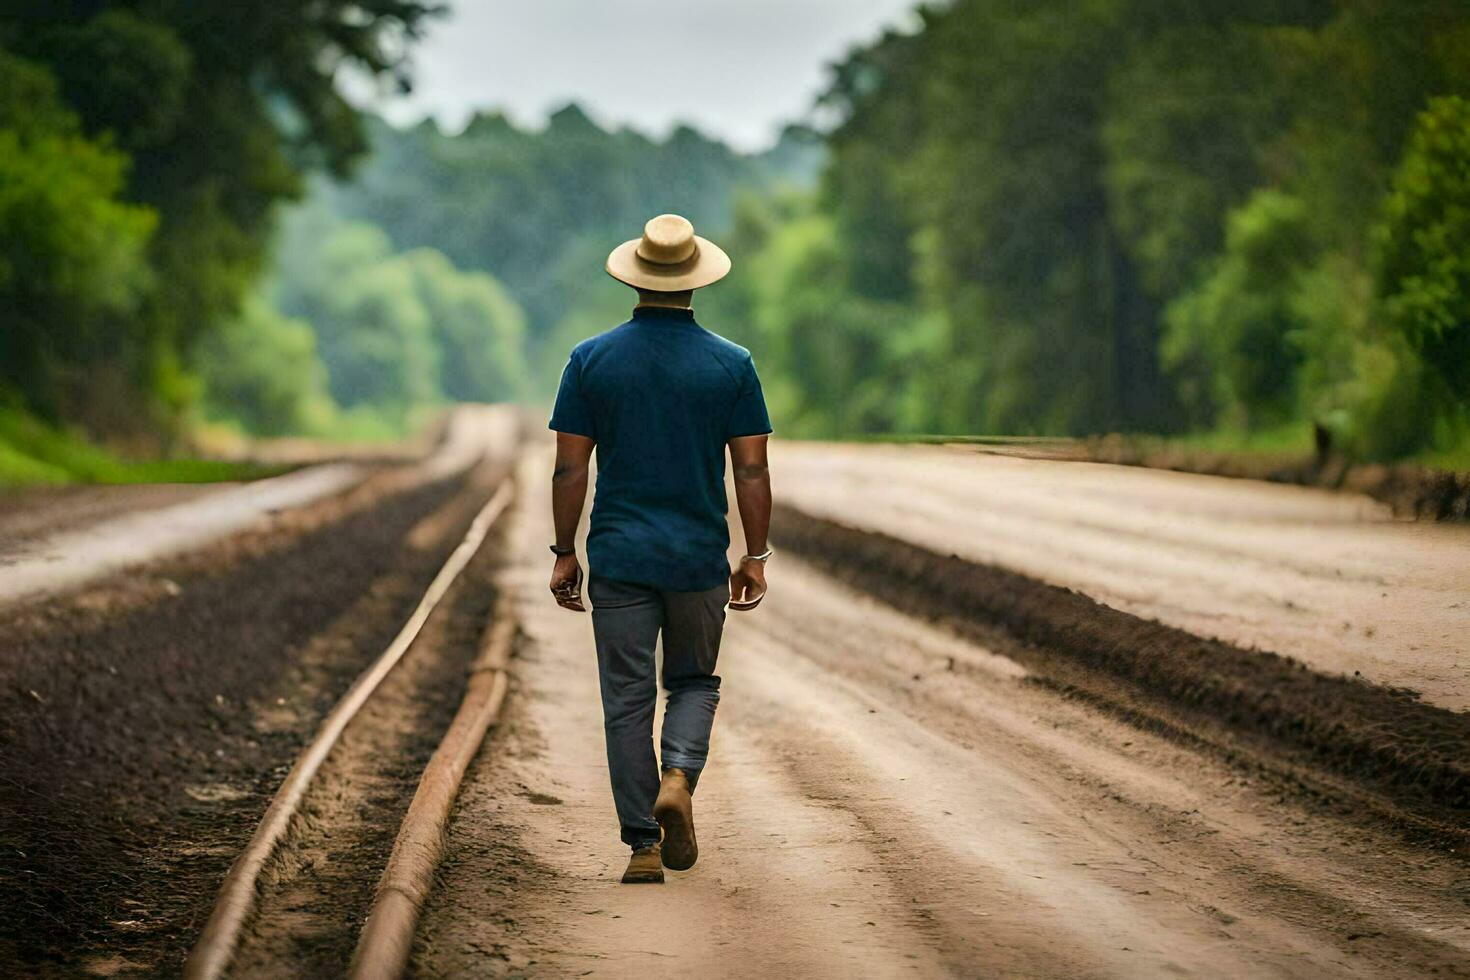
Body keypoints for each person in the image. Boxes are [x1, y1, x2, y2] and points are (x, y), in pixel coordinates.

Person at [546, 213, 773, 885]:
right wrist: (754, 554)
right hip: (698, 557)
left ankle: (643, 844)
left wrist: (565, 550)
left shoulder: (591, 360)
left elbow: (570, 469)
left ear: (637, 277)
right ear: (696, 280)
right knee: (694, 681)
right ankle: (678, 776)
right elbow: (751, 470)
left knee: (626, 699)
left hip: (619, 556)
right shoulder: (731, 365)